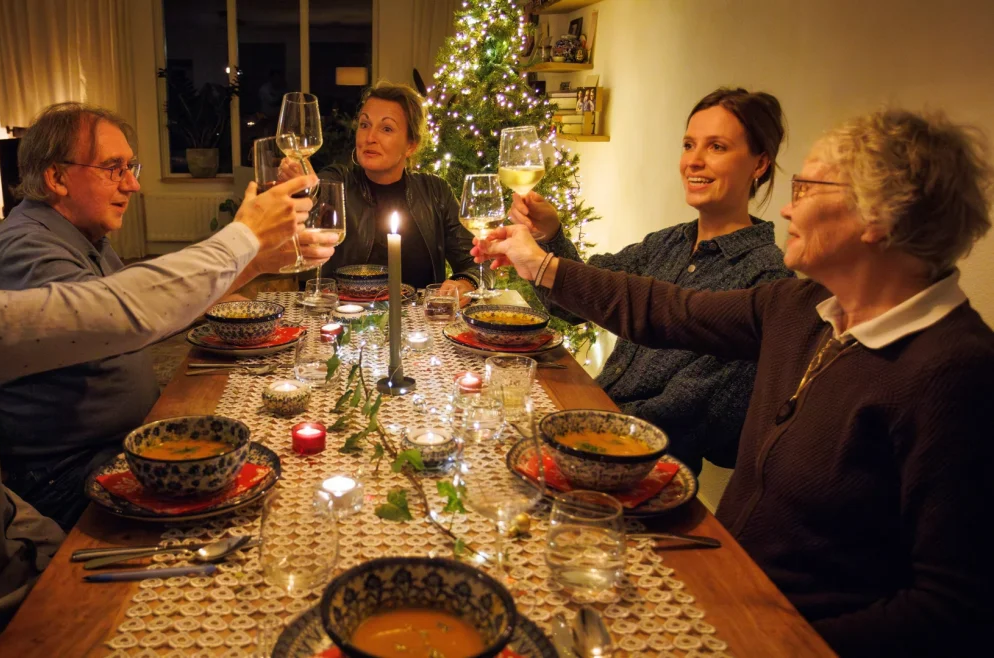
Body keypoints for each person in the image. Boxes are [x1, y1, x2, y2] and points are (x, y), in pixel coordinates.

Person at [0, 84, 328, 657]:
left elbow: (135, 316)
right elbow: (114, 313)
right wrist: (242, 238)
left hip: (10, 554)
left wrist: (254, 254)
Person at [475, 108, 993, 656]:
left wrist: (770, 645)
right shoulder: (803, 307)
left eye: (809, 187)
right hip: (722, 581)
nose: (788, 205)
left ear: (879, 219)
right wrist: (541, 265)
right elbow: (665, 309)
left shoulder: (955, 373)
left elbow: (954, 608)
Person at [0, 103, 324, 530]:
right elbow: (129, 317)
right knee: (261, 510)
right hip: (63, 476)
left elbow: (160, 311)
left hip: (118, 444)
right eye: (114, 168)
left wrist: (254, 263)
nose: (133, 184)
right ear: (57, 177)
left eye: (130, 167)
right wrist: (244, 237)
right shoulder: (27, 248)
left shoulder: (80, 236)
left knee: (266, 456)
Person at [510, 88, 792, 474]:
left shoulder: (767, 278)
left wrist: (577, 420)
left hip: (644, 469)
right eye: (689, 144)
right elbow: (573, 306)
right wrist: (551, 235)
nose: (693, 161)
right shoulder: (668, 242)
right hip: (586, 428)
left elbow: (691, 412)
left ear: (759, 164)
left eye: (717, 147)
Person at [315, 81, 480, 299]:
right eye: (364, 125)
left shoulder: (436, 191)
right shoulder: (338, 182)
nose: (369, 137)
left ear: (411, 145)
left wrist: (466, 283)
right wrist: (300, 180)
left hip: (422, 326)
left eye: (386, 128)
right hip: (348, 320)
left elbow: (476, 262)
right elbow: (312, 191)